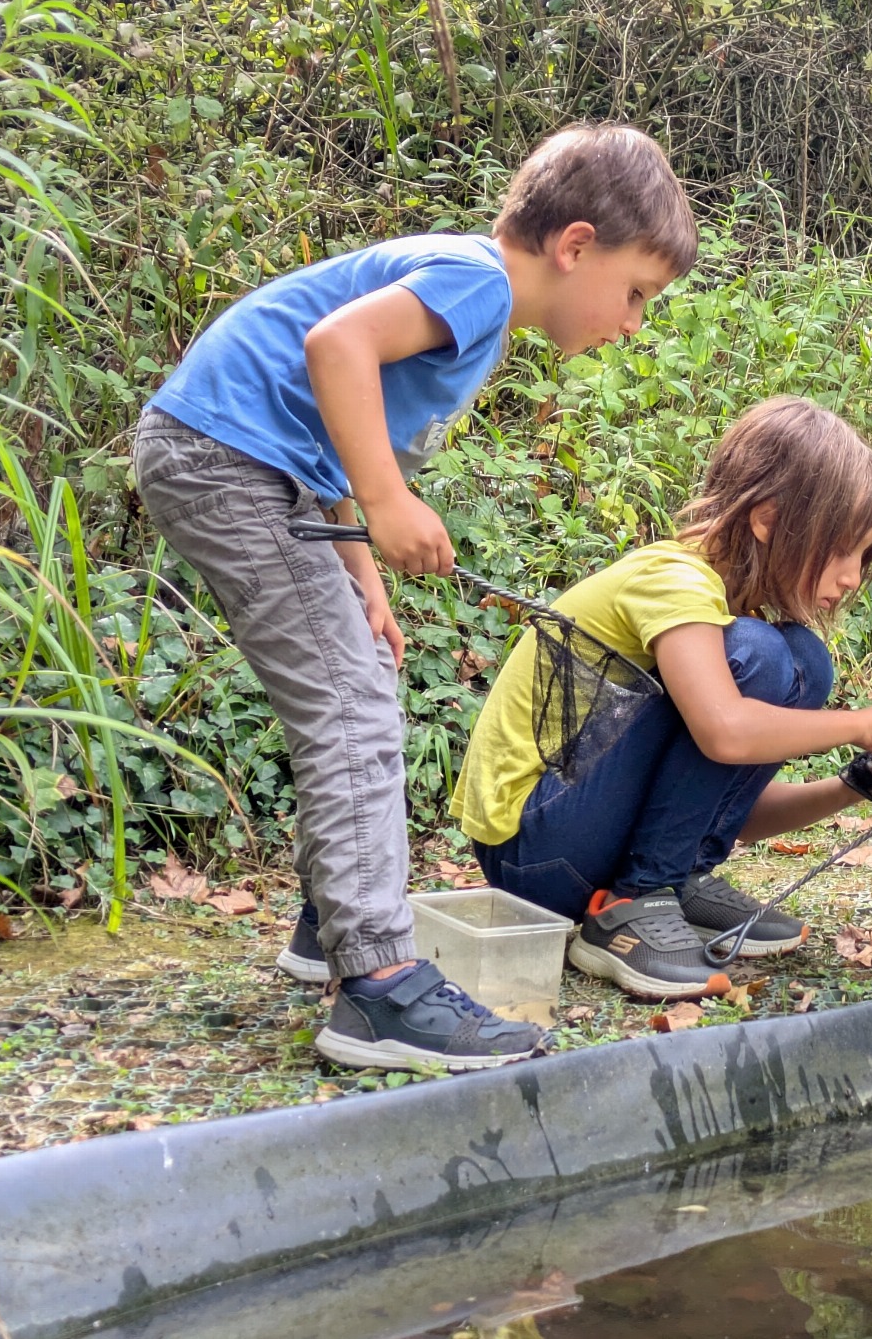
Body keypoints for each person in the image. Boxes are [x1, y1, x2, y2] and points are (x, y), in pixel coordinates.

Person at [133, 123, 698, 1068]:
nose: (633, 320)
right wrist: (392, 502)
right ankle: (379, 988)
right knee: (353, 709)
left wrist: (361, 569)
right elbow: (335, 345)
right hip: (222, 458)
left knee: (361, 680)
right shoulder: (478, 280)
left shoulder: (477, 300)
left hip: (259, 464)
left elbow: (322, 429)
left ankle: (331, 926)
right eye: (636, 292)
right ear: (575, 246)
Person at [452, 396, 872, 1000]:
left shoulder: (725, 612)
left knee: (805, 659)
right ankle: (636, 901)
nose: (852, 577)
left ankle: (673, 881)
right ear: (767, 518)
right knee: (761, 655)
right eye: (843, 550)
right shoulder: (674, 579)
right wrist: (858, 723)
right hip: (535, 849)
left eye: (864, 557)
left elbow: (723, 814)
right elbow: (725, 733)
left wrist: (857, 784)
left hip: (578, 838)